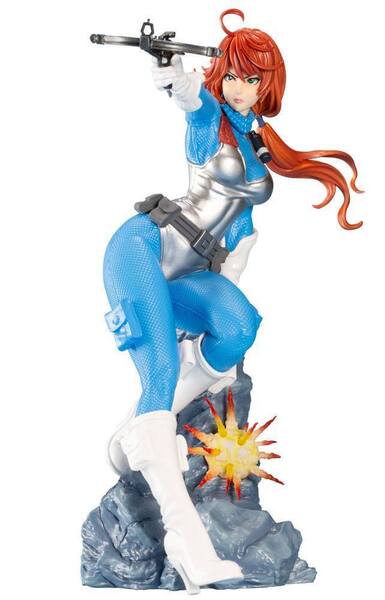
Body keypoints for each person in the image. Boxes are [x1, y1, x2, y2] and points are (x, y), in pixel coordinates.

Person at [102, 8, 362, 594]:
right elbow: (191, 101)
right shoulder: (212, 120)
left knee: (240, 327)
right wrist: (176, 76)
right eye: (235, 75)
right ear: (221, 76)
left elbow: (240, 224)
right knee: (160, 367)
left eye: (253, 78)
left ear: (268, 84)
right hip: (144, 250)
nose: (241, 87)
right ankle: (187, 543)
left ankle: (140, 427)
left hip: (192, 271)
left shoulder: (254, 135)